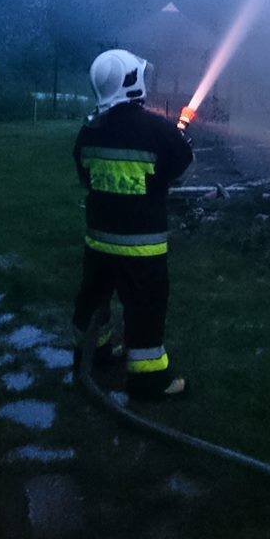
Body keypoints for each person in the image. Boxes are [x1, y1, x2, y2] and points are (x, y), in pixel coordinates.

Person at [72, 48, 193, 398]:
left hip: (98, 242)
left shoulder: (89, 130)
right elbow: (180, 174)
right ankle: (148, 379)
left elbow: (85, 177)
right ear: (132, 81)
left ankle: (91, 354)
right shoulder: (157, 129)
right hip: (142, 246)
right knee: (145, 309)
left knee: (92, 300)